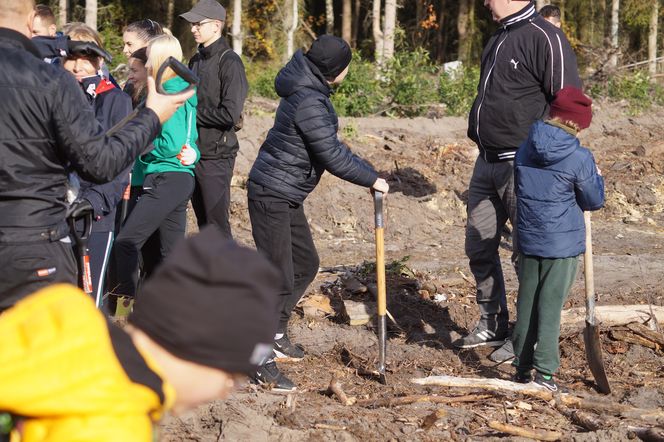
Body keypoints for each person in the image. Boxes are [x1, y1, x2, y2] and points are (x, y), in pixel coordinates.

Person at [0, 0, 194, 311]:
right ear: (29, 19)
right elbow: (100, 162)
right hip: (35, 243)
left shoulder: (93, 92)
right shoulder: (51, 82)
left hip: (48, 229)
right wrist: (152, 115)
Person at [0, 226, 279, 441]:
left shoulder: (60, 317)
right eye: (231, 376)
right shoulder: (114, 424)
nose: (224, 392)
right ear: (200, 350)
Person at [247, 35, 389, 391]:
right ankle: (256, 357)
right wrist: (371, 179)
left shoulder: (308, 87)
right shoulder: (309, 98)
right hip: (271, 193)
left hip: (284, 193)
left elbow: (333, 147)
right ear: (335, 70)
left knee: (306, 262)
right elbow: (331, 155)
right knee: (277, 276)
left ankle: (276, 332)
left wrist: (371, 173)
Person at [453, 0, 582, 361]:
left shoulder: (546, 37)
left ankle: (526, 337)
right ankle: (492, 321)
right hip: (487, 162)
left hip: (525, 165)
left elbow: (569, 102)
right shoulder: (498, 37)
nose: (484, 3)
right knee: (479, 246)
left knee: (528, 254)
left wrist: (559, 158)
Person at [512, 86, 604, 391]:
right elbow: (592, 200)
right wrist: (595, 177)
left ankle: (521, 370)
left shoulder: (525, 147)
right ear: (576, 123)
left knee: (527, 304)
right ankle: (546, 375)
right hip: (561, 246)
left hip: (528, 238)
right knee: (550, 308)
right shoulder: (579, 157)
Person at [113, 35, 200, 301]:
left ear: (161, 59)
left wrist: (137, 144)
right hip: (171, 176)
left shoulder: (169, 92)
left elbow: (172, 143)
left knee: (125, 244)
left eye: (150, 57)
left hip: (167, 175)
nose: (146, 62)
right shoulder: (174, 89)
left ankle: (121, 315)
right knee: (166, 258)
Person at [62, 30, 133, 308]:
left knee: (87, 303)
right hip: (54, 213)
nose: (78, 65)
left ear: (99, 61)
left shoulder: (116, 100)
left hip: (94, 217)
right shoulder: (52, 97)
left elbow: (119, 163)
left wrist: (93, 202)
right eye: (72, 57)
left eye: (87, 57)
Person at [180, 0, 249, 239]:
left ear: (216, 26)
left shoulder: (230, 62)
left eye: (199, 24)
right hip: (193, 153)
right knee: (203, 223)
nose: (193, 29)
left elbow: (230, 114)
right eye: (192, 24)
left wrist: (190, 112)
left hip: (217, 157)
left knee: (216, 224)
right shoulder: (195, 60)